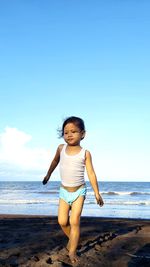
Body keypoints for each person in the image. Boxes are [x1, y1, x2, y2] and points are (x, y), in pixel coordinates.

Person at [42, 116, 104, 264]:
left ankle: (72, 251)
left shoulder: (85, 153)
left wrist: (97, 193)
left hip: (79, 192)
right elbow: (55, 160)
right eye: (66, 132)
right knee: (62, 221)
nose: (69, 135)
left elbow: (91, 173)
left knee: (74, 221)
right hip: (64, 191)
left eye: (74, 131)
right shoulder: (60, 148)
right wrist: (48, 174)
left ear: (83, 134)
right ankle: (74, 237)